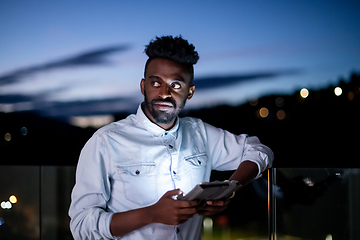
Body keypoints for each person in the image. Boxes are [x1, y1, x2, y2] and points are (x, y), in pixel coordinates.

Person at [69, 35, 274, 240]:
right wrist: (151, 214)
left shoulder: (200, 133)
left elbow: (259, 151)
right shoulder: (106, 141)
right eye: (156, 83)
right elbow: (81, 226)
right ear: (143, 87)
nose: (165, 93)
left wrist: (228, 190)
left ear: (190, 92)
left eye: (176, 85)